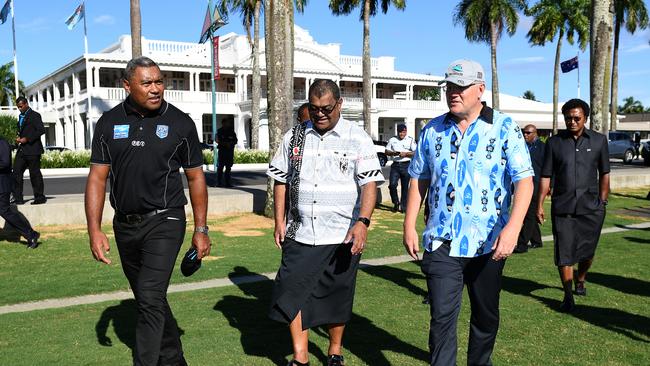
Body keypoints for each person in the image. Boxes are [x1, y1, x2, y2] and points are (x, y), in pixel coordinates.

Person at [403, 59, 533, 366]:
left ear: (480, 89)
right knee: (442, 318)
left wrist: (512, 229)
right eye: (449, 87)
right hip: (442, 242)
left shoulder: (504, 128)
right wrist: (409, 224)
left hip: (488, 243)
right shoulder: (432, 130)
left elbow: (524, 181)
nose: (453, 93)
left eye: (460, 88)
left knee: (485, 317)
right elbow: (418, 178)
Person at [85, 56, 211, 366]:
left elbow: (196, 178)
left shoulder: (181, 123)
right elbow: (97, 178)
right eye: (147, 83)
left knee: (150, 297)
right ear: (127, 86)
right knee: (148, 298)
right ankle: (174, 361)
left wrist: (201, 228)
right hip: (125, 225)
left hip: (166, 219)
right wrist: (94, 229)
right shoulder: (108, 123)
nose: (156, 89)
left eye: (159, 81)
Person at [267, 79, 384, 366]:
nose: (320, 114)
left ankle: (334, 352)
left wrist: (363, 222)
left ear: (339, 104)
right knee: (291, 292)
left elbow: (370, 184)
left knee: (336, 296)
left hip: (342, 234)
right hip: (300, 231)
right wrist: (279, 221)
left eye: (327, 108)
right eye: (314, 108)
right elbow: (280, 179)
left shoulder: (357, 137)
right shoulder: (293, 138)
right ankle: (300, 356)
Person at [537, 98, 610, 313]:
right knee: (564, 252)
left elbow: (605, 172)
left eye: (576, 118)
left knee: (587, 252)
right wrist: (539, 204)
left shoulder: (599, 141)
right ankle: (568, 296)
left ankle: (581, 277)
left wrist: (603, 201)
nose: (572, 121)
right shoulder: (554, 143)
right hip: (563, 207)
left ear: (585, 118)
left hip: (591, 207)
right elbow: (545, 175)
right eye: (568, 118)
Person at [0, 136, 40, 248]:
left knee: (4, 211)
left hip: (2, 185)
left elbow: (5, 163)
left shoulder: (2, 143)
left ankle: (31, 234)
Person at [514, 124, 545, 253]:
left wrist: (548, 187)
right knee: (529, 214)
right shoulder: (523, 147)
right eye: (524, 132)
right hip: (525, 185)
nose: (525, 135)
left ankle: (522, 244)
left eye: (528, 133)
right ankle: (537, 241)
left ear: (535, 133)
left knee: (529, 216)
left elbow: (547, 169)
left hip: (537, 186)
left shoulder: (542, 148)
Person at [12, 97, 46, 205]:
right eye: (18, 107)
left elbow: (41, 130)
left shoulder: (35, 115)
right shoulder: (21, 116)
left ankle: (39, 197)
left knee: (34, 174)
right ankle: (18, 198)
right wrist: (18, 138)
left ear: (26, 104)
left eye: (21, 106)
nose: (19, 109)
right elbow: (22, 131)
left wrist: (27, 138)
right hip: (22, 150)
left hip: (33, 150)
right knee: (16, 172)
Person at [385, 124, 416, 213]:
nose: (402, 134)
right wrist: (393, 153)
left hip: (406, 165)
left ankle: (403, 207)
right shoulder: (392, 140)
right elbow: (386, 151)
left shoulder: (410, 140)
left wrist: (405, 154)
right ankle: (396, 202)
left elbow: (415, 152)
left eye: (404, 132)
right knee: (392, 185)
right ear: (397, 132)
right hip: (395, 165)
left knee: (405, 187)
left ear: (406, 132)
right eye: (400, 132)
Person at [216, 118, 238, 187]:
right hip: (222, 151)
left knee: (228, 168)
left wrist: (230, 144)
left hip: (229, 152)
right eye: (225, 123)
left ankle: (228, 183)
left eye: (227, 123)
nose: (226, 124)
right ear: (223, 123)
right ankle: (219, 182)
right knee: (220, 167)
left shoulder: (231, 131)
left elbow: (235, 140)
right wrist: (225, 144)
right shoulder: (219, 131)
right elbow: (217, 140)